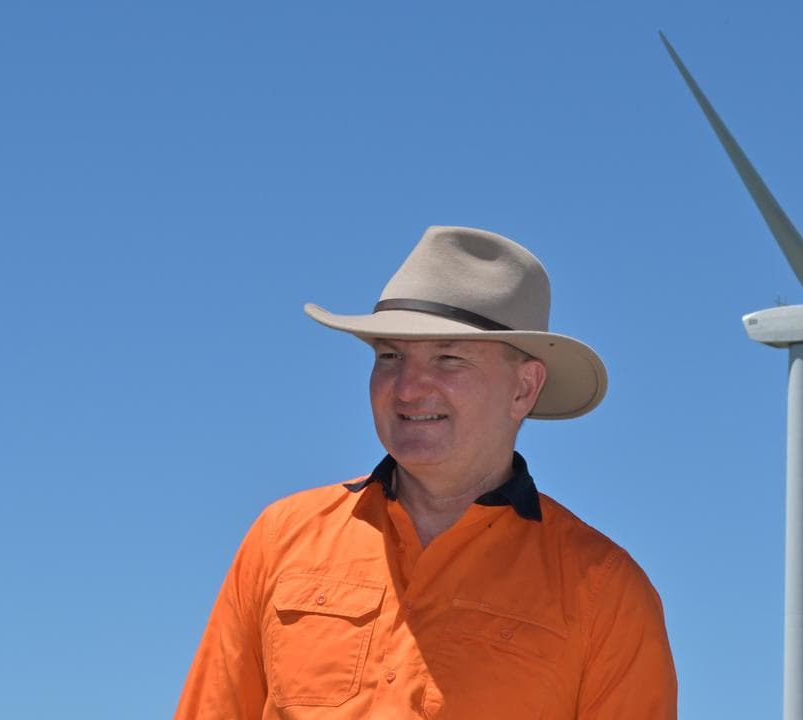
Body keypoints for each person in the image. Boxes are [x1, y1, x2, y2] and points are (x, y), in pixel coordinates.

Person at [177, 226, 677, 719]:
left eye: (449, 359)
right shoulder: (281, 537)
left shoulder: (605, 590)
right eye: (390, 356)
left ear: (524, 389)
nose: (409, 388)